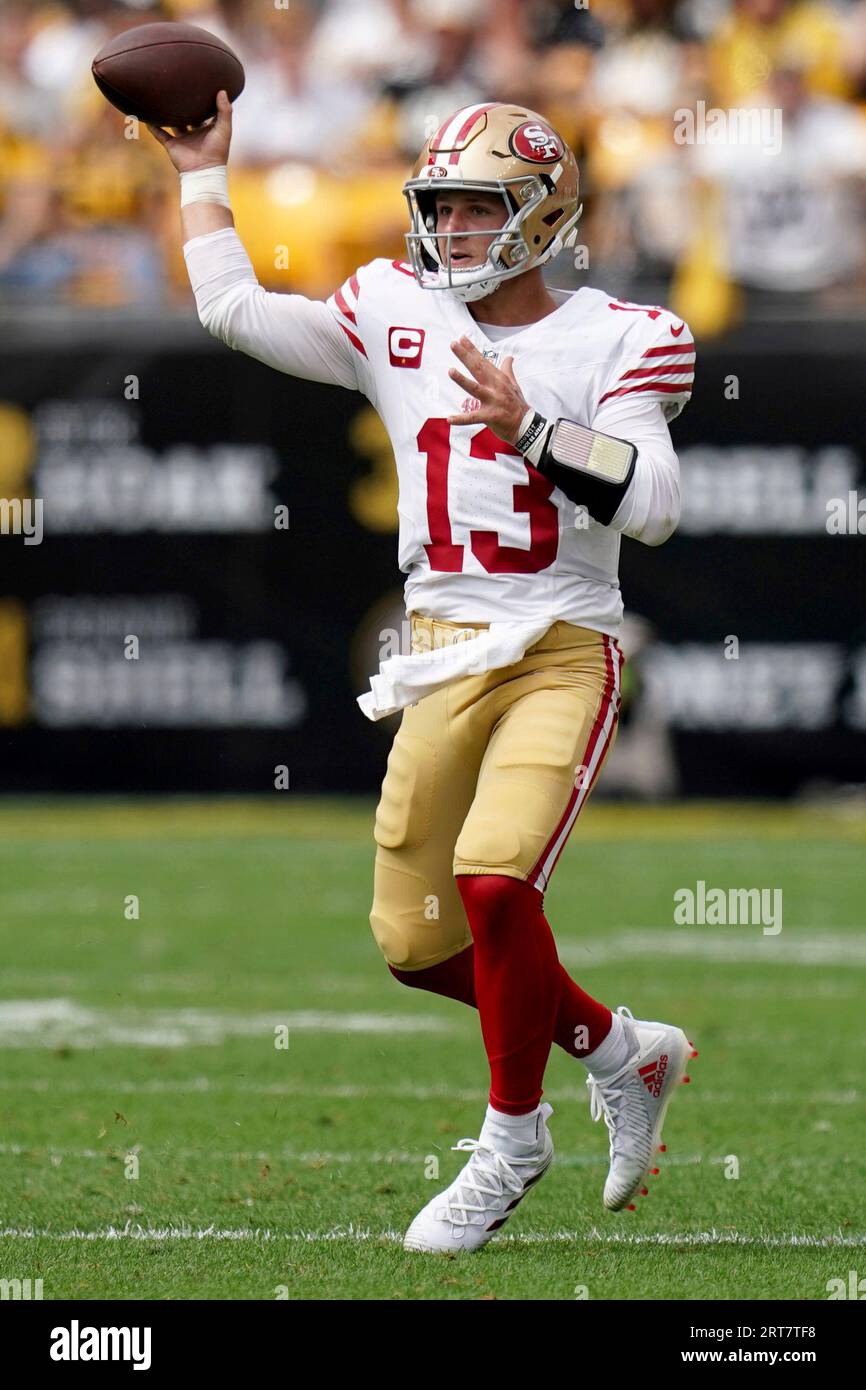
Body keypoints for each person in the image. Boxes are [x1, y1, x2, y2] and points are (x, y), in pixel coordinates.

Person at [148, 93, 697, 1255]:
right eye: (436, 205)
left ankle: (510, 1140)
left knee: (495, 884)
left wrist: (533, 429)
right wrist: (204, 171)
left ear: (543, 215)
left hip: (558, 643)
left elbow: (651, 508)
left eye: (474, 206)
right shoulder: (392, 308)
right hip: (439, 650)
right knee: (414, 940)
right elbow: (232, 308)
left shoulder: (621, 334)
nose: (446, 228)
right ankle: (618, 1049)